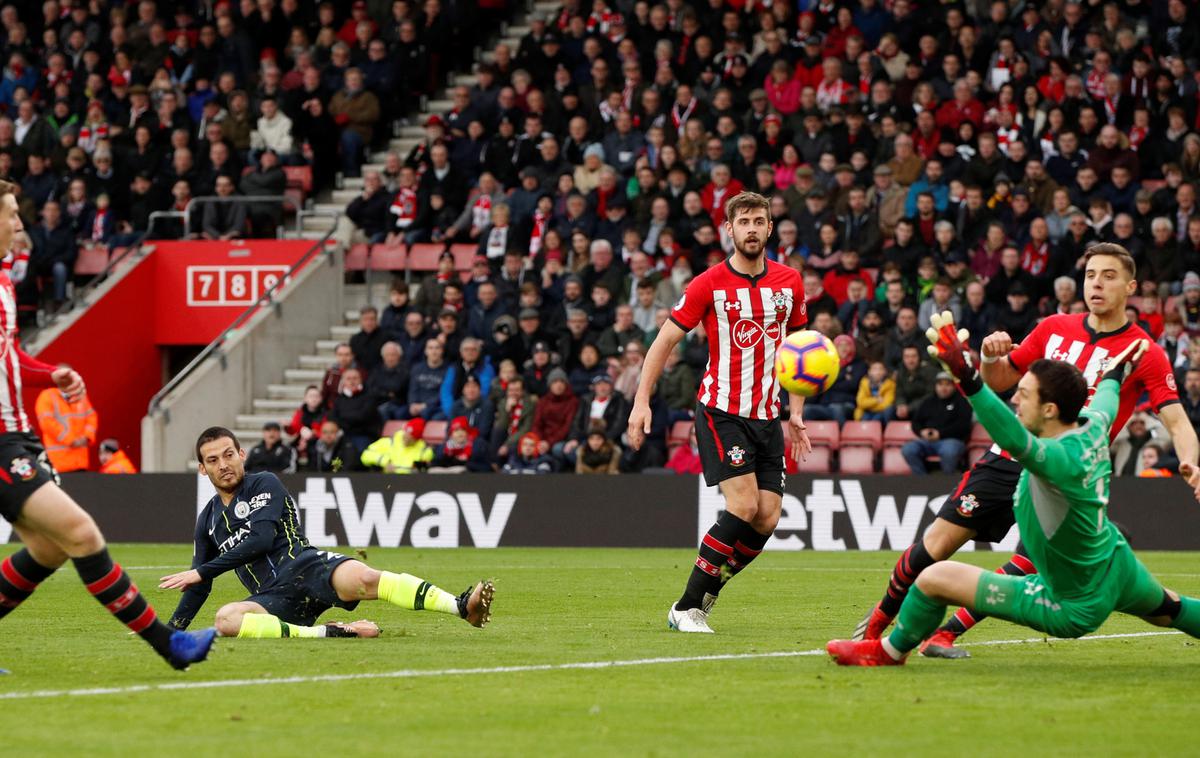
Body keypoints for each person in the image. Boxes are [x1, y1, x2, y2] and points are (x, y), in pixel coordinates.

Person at [852, 243, 1200, 658]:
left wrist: (1190, 460)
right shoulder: (1053, 327)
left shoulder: (1144, 351)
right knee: (935, 546)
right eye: (1090, 275)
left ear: (1131, 286)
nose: (1097, 284)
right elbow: (1000, 382)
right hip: (1006, 460)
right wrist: (986, 355)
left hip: (1063, 477)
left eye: (1108, 275)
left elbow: (1177, 420)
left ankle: (940, 635)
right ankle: (875, 626)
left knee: (1033, 563)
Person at [0, 180, 215, 670]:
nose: (19, 225)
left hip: (17, 435)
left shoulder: (5, 280)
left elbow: (7, 356)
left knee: (49, 548)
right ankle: (170, 645)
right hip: (0, 442)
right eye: (11, 214)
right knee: (79, 532)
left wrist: (47, 373)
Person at [628, 191, 811, 634]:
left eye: (759, 221)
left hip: (767, 417)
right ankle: (688, 607)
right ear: (729, 229)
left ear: (771, 228)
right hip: (721, 411)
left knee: (766, 517)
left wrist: (796, 413)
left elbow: (801, 354)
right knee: (744, 505)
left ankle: (705, 595)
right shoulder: (708, 283)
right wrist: (641, 400)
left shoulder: (790, 282)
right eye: (743, 221)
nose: (751, 228)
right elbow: (664, 343)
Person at [161, 427, 492, 640]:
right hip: (272, 598)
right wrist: (171, 631)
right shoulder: (207, 519)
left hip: (308, 567)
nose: (224, 464)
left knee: (366, 578)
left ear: (241, 454)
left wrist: (201, 571)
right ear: (203, 468)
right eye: (213, 460)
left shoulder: (264, 483)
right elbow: (198, 587)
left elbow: (259, 541)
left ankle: (461, 607)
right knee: (226, 620)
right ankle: (330, 632)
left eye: (229, 454)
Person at [900, 372, 972, 473]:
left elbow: (963, 426)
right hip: (927, 441)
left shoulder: (961, 402)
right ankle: (921, 481)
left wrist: (940, 434)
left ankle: (948, 483)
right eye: (940, 384)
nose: (943, 388)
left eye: (947, 384)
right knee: (908, 449)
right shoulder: (928, 401)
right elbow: (915, 422)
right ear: (935, 386)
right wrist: (921, 432)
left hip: (952, 440)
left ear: (954, 386)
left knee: (949, 451)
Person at [34, 385, 97, 473]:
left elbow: (92, 416)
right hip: (59, 463)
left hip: (80, 461)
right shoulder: (47, 396)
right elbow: (47, 423)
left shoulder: (80, 395)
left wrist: (87, 437)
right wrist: (70, 440)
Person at [361, 418, 434, 473]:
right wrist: (385, 462)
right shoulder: (388, 442)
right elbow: (365, 455)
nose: (406, 439)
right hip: (386, 481)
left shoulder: (425, 451)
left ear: (417, 439)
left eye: (411, 438)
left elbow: (422, 471)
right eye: (405, 435)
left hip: (410, 484)